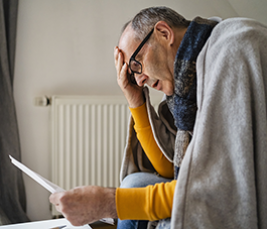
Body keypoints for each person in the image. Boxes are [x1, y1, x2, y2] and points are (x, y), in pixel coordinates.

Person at [49, 6, 267, 229]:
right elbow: (169, 168)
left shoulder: (233, 49)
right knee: (135, 183)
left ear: (164, 33)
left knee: (136, 197)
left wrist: (110, 203)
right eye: (133, 75)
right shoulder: (185, 87)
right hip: (219, 189)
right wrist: (135, 100)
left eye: (136, 64)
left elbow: (219, 187)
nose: (140, 81)